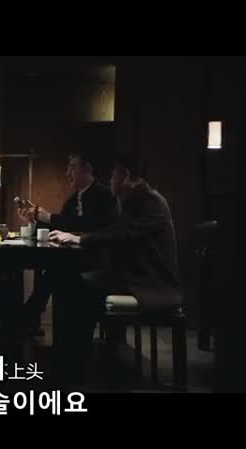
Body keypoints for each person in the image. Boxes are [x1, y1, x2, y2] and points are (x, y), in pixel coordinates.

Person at [47, 154, 182, 383]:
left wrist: (79, 239)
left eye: (113, 176)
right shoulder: (135, 199)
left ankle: (74, 368)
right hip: (135, 275)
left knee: (75, 288)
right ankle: (73, 362)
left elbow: (121, 234)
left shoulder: (149, 201)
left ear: (125, 176)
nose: (110, 180)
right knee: (69, 281)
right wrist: (77, 237)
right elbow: (114, 231)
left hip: (150, 282)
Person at [16, 152, 119, 335]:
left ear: (87, 169)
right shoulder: (72, 201)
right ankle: (31, 317)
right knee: (54, 268)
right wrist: (33, 220)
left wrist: (50, 218)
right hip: (75, 260)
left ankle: (30, 316)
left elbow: (94, 226)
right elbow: (60, 226)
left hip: (100, 261)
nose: (67, 173)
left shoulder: (105, 195)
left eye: (72, 167)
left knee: (56, 270)